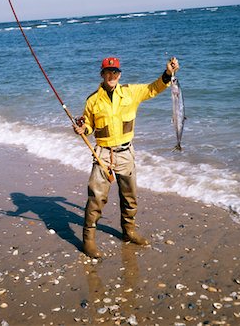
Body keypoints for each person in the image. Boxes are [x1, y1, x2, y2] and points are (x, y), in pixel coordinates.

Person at [73, 56, 180, 258]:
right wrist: (82, 129)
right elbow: (88, 126)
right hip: (103, 153)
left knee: (130, 197)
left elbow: (153, 88)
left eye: (114, 72)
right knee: (95, 198)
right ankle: (88, 241)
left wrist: (168, 73)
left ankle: (128, 232)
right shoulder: (93, 100)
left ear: (119, 74)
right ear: (102, 75)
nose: (111, 75)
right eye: (107, 72)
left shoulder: (131, 92)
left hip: (126, 152)